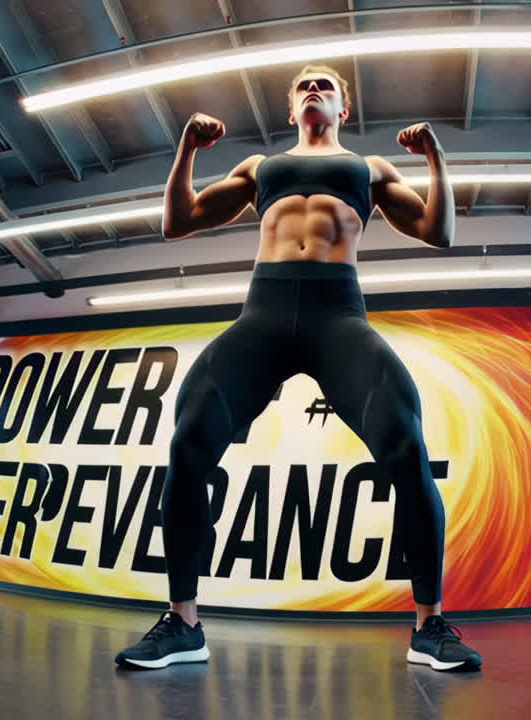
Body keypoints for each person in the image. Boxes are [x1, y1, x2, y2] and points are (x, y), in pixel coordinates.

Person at [114, 64, 481, 673]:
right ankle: (183, 624)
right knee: (188, 442)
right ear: (291, 112)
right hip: (264, 312)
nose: (314, 90)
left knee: (406, 443)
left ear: (344, 108)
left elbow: (438, 232)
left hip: (340, 315)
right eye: (304, 86)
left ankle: (429, 626)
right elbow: (177, 222)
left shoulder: (371, 169)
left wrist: (436, 158)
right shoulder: (262, 168)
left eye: (326, 86)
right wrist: (186, 149)